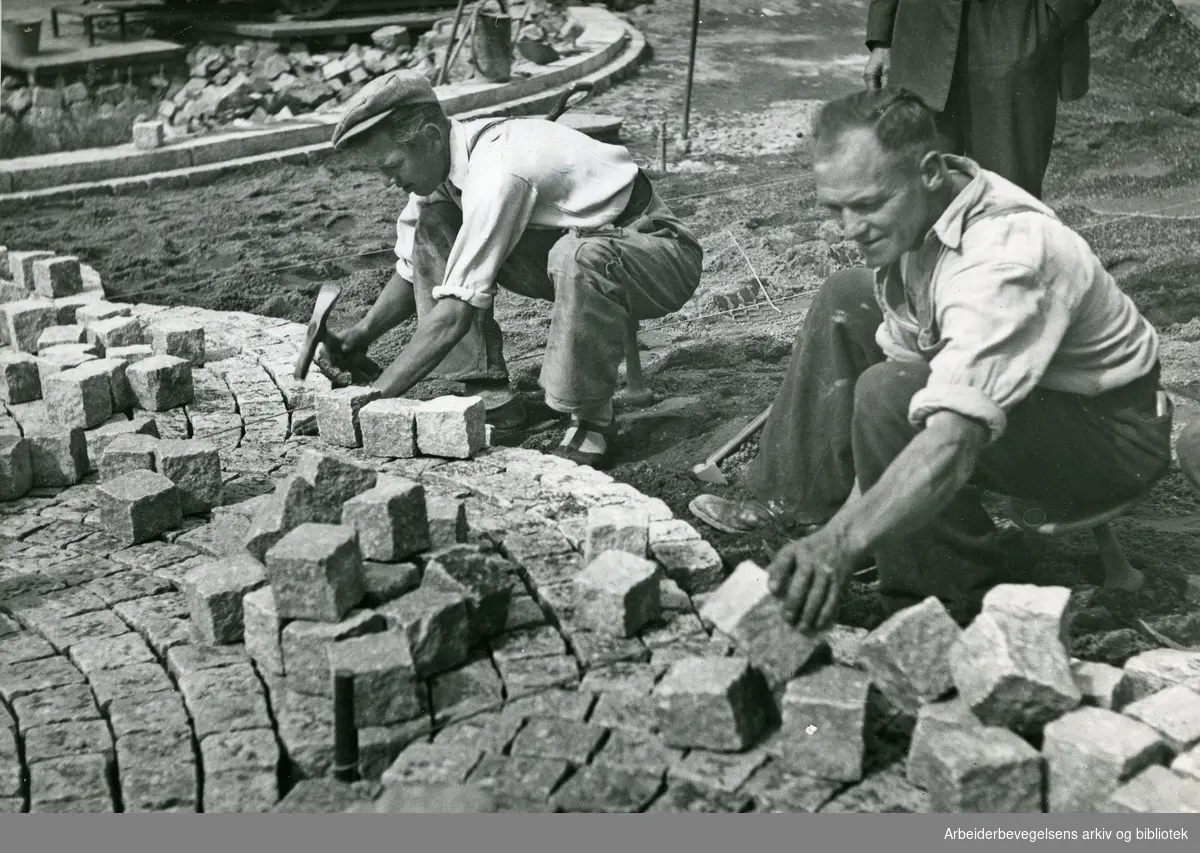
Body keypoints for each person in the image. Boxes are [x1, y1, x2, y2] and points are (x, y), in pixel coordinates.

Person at [689, 87, 1172, 631]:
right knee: (847, 296)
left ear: (932, 172)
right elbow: (907, 344)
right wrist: (848, 525)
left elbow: (952, 442)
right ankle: (798, 514)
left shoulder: (1003, 257)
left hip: (1109, 439)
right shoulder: (928, 218)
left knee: (889, 395)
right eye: (836, 208)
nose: (850, 229)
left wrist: (842, 545)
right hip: (1045, 398)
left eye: (870, 204)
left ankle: (940, 614)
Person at [322, 70, 703, 469]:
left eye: (392, 165)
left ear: (431, 138)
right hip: (583, 249)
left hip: (659, 252)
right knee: (435, 221)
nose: (388, 182)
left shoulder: (498, 172)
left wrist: (373, 399)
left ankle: (593, 421)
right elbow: (411, 270)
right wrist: (363, 334)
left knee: (576, 256)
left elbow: (454, 313)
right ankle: (488, 395)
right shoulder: (447, 166)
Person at [862, 0, 1101, 200]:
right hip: (922, 35)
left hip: (1016, 26)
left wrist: (1055, 14)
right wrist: (882, 36)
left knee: (1008, 208)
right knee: (917, 206)